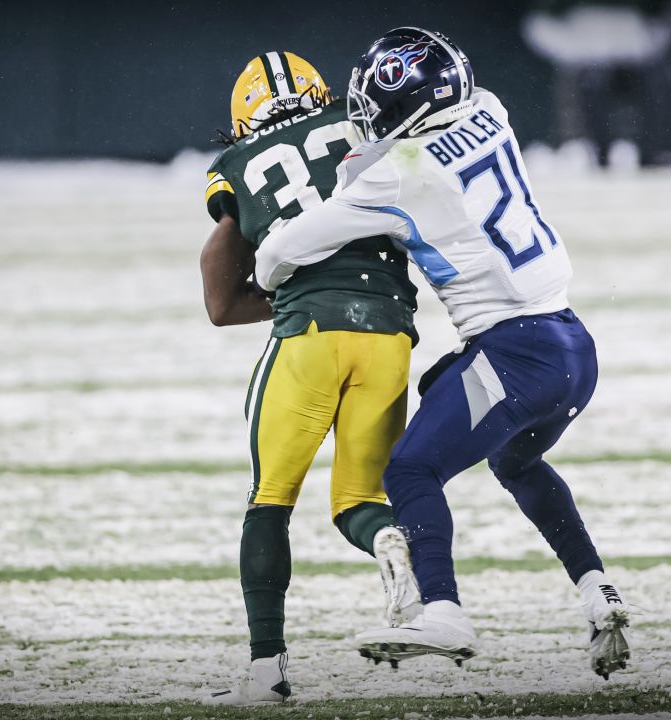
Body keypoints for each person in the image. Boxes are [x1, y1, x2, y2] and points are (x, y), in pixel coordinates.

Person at [254, 27, 631, 679]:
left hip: (515, 356)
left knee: (408, 471)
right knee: (515, 460)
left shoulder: (397, 179)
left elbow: (279, 255)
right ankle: (599, 593)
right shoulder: (490, 109)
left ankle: (445, 610)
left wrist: (275, 259)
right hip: (572, 345)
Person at [198, 50, 422, 704]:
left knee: (270, 500)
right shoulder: (370, 131)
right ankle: (388, 542)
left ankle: (266, 671)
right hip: (389, 333)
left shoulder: (236, 164)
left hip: (309, 336)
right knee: (358, 500)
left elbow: (219, 292)